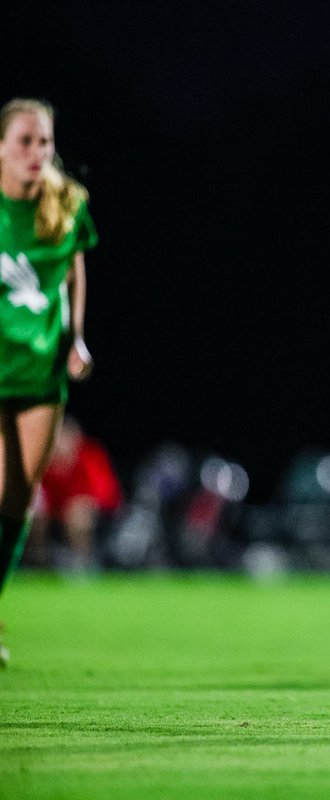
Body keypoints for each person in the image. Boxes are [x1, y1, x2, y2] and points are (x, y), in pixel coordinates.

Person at [0, 98, 99, 668]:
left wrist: (76, 338)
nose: (37, 153)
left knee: (19, 498)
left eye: (44, 142)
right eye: (24, 142)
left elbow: (74, 267)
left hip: (39, 369)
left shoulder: (66, 201)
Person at [28, 414, 122, 572]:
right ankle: (37, 563)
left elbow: (107, 493)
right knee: (32, 510)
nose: (61, 443)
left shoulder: (90, 455)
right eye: (57, 437)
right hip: (53, 514)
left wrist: (82, 502)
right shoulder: (42, 458)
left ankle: (83, 564)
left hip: (95, 516)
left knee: (78, 514)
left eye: (65, 436)